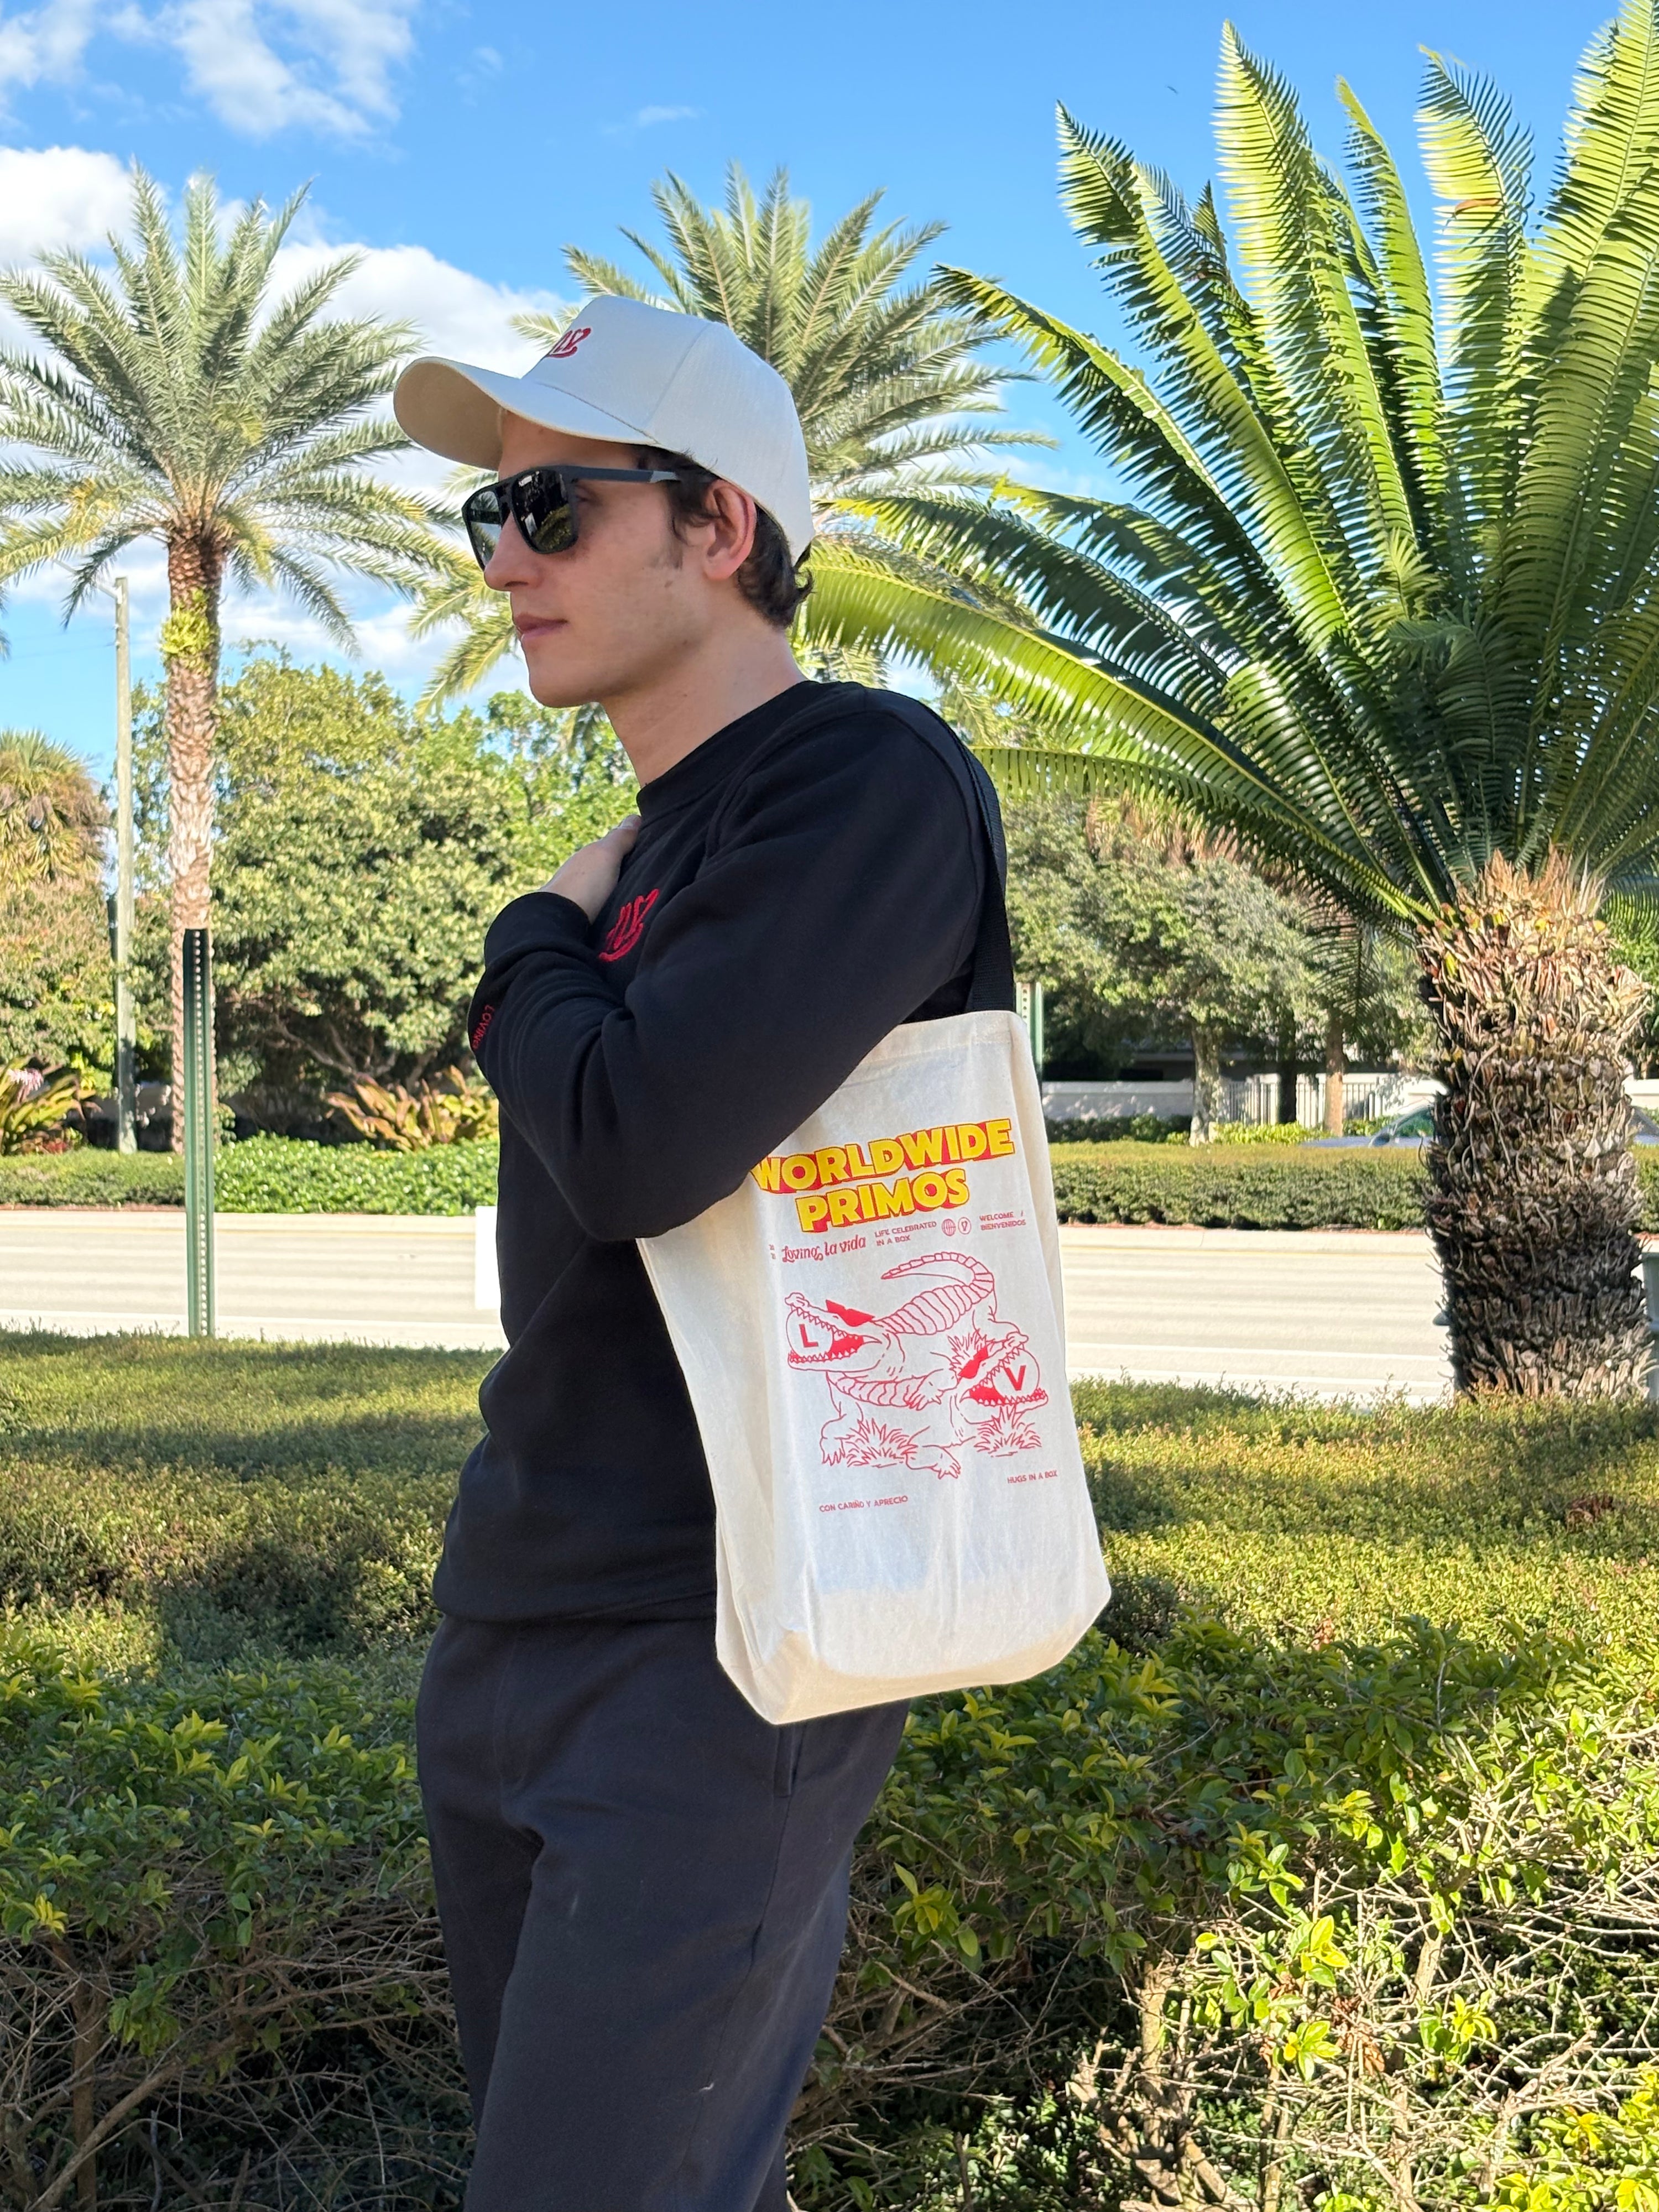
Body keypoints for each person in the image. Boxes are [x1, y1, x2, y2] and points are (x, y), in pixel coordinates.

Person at [393, 294, 1005, 2212]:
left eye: (553, 509)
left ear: (719, 525)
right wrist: (561, 944)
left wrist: (522, 942)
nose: (507, 562)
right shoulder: (639, 856)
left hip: (727, 1638)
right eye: (482, 522)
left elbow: (637, 1145)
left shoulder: (863, 783)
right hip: (521, 1607)